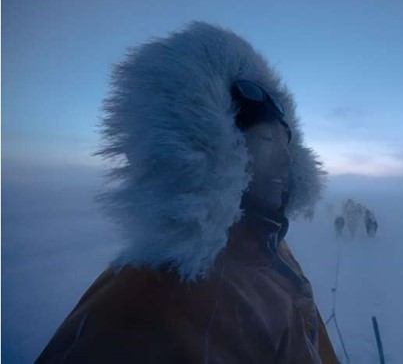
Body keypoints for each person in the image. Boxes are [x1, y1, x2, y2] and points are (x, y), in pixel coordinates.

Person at [36, 23, 338, 363]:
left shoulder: (268, 248)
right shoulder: (149, 307)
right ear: (209, 148)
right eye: (267, 141)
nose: (285, 157)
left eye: (286, 141)